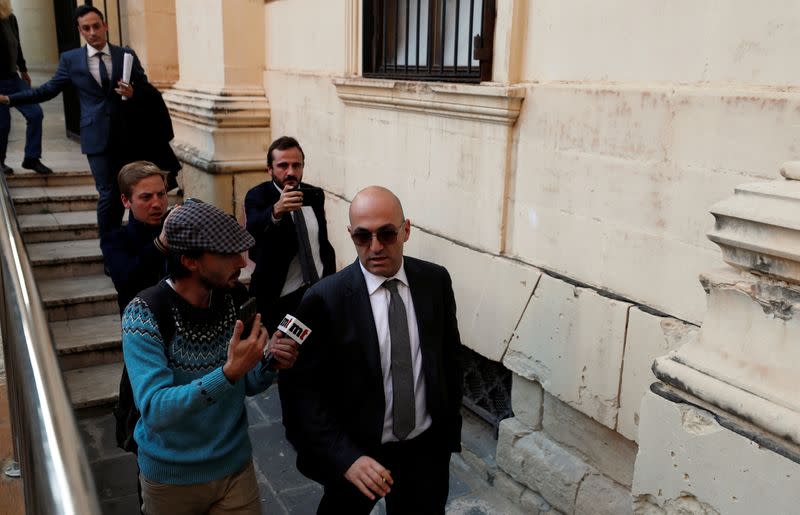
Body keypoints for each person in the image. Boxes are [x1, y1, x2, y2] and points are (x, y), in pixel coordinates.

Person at [279, 186, 464, 514]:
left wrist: (445, 435)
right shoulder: (326, 299)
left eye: (387, 234)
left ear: (406, 230)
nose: (375, 247)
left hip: (425, 453)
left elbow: (449, 359)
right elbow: (301, 393)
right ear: (351, 235)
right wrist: (344, 457)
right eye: (363, 237)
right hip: (357, 455)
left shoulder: (435, 282)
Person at [121, 200, 300, 514]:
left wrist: (270, 360)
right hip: (170, 481)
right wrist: (228, 373)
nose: (242, 263)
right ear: (190, 260)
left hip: (234, 469)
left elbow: (249, 382)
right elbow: (155, 410)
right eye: (228, 254)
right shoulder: (144, 313)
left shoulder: (235, 299)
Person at [0, 5, 147, 235]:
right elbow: (47, 90)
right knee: (108, 193)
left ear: (105, 26)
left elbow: (146, 89)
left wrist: (134, 93)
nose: (92, 32)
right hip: (96, 137)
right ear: (79, 31)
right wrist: (10, 98)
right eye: (86, 28)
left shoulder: (125, 55)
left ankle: (130, 243)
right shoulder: (71, 60)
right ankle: (110, 247)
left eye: (96, 26)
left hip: (128, 135)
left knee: (133, 193)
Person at [245, 136, 335, 330]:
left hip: (316, 292)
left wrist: (330, 282)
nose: (291, 172)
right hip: (278, 297)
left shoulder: (314, 195)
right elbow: (253, 230)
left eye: (297, 165)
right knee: (280, 355)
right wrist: (276, 210)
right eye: (283, 165)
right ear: (269, 169)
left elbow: (321, 242)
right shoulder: (258, 196)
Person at [101, 161, 170, 314]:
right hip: (140, 330)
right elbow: (127, 281)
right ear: (126, 201)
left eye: (161, 194)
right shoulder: (114, 240)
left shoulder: (180, 228)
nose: (157, 203)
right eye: (146, 197)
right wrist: (160, 244)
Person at [0, 0, 52, 175]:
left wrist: (23, 70)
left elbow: (17, 46)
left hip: (13, 78)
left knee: (35, 113)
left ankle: (31, 158)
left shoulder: (10, 18)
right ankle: (0, 162)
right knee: (2, 123)